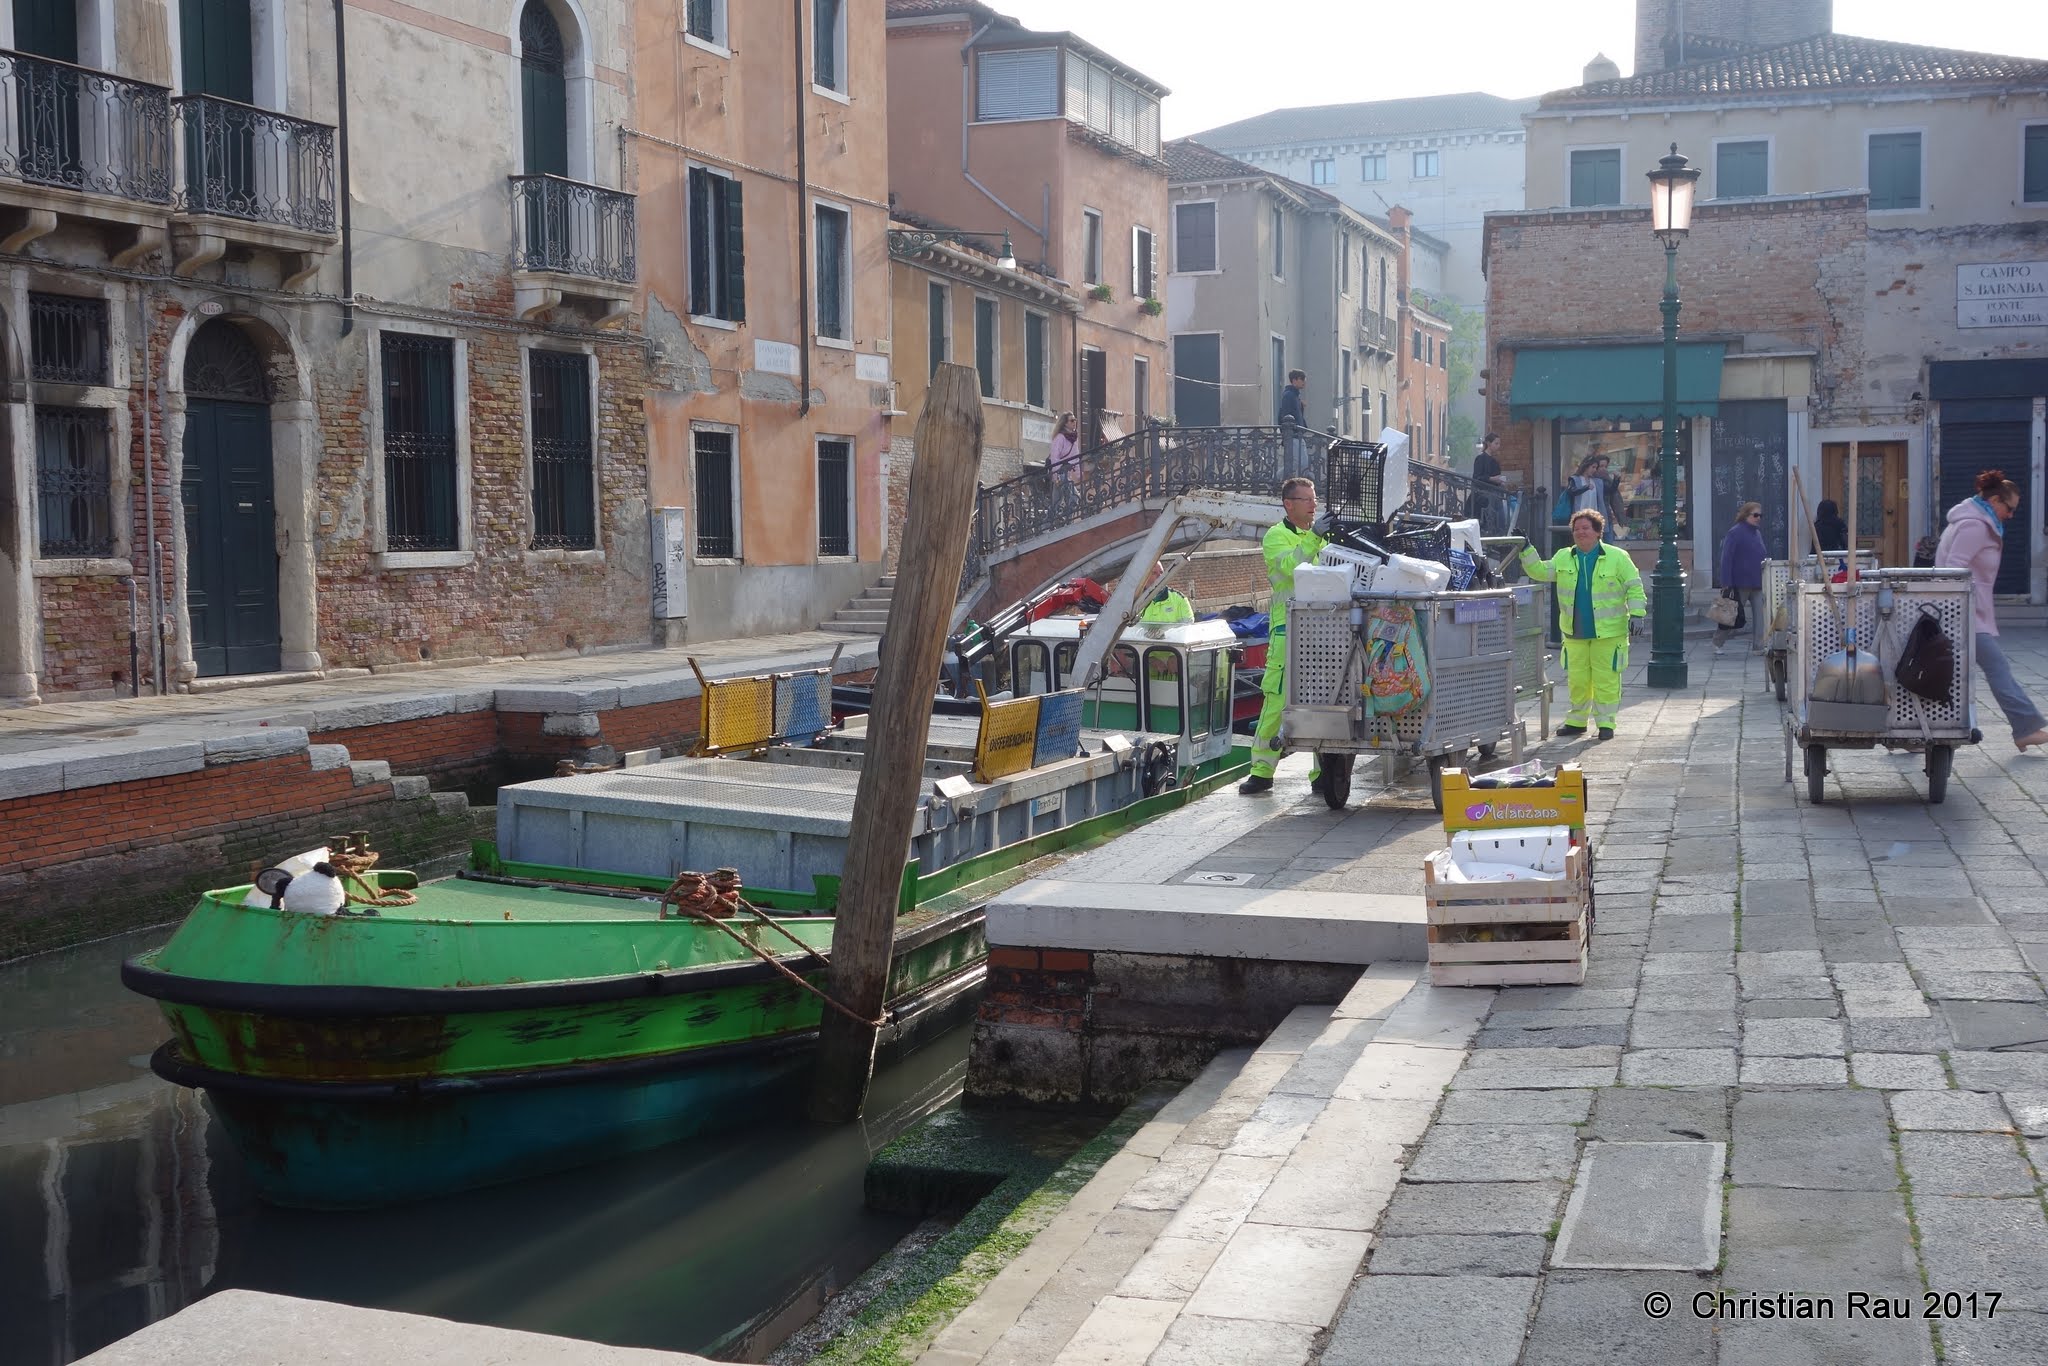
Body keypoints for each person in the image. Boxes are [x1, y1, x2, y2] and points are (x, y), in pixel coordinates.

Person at [1936, 470, 2048, 751]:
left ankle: (1919, 730)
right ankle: (2025, 727)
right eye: (2009, 508)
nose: (2010, 515)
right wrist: (1958, 612)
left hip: (1968, 611)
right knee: (1996, 667)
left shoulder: (1978, 521)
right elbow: (1953, 568)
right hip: (1964, 613)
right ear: (1995, 500)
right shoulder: (1975, 525)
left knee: (1947, 673)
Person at [1519, 510, 1646, 739]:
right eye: (1576, 529)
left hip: (1608, 633)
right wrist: (1526, 549)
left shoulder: (1618, 557)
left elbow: (1634, 586)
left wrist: (1637, 613)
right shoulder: (1563, 557)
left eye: (1586, 528)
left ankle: (1606, 724)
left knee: (1605, 680)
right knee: (1577, 680)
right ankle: (1577, 721)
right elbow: (1539, 571)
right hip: (1574, 632)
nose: (1580, 532)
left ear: (1598, 532)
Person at [1241, 477, 1326, 795]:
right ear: (1288, 505)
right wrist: (1315, 539)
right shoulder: (1276, 537)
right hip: (1286, 630)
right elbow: (1291, 569)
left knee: (1323, 701)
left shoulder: (1320, 536)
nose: (1313, 505)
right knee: (1277, 701)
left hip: (1321, 629)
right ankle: (1262, 772)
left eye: (1314, 499)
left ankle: (1323, 774)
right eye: (1306, 500)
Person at [1715, 501, 1768, 652]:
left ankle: (1759, 646)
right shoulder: (1735, 532)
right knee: (1730, 615)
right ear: (1746, 515)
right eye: (1755, 515)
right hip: (1740, 582)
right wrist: (1726, 582)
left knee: (1760, 617)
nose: (1758, 518)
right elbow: (1726, 558)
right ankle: (1717, 642)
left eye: (1760, 515)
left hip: (1757, 581)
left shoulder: (1757, 533)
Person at [1466, 432, 1509, 535]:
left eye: (1499, 444)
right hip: (1483, 496)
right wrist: (1492, 479)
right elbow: (1476, 478)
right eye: (1496, 443)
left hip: (1495, 495)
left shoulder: (1495, 461)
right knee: (1489, 521)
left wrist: (1501, 482)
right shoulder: (1480, 459)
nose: (1498, 446)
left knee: (1500, 521)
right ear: (1489, 444)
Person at [1277, 370, 1309, 480]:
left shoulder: (1294, 396)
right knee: (1300, 463)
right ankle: (1274, 480)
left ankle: (1274, 480)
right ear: (1294, 380)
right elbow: (1285, 415)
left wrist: (1301, 407)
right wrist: (1288, 432)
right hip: (1293, 435)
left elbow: (1297, 416)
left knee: (1298, 464)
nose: (1304, 382)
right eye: (1302, 379)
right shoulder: (1289, 395)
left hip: (1297, 434)